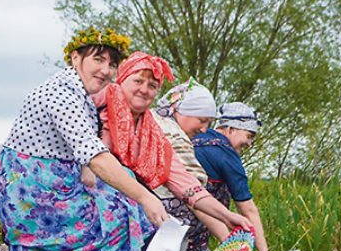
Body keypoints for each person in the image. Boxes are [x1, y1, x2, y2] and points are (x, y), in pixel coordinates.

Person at [0, 27, 170, 251]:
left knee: (123, 188)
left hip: (53, 182)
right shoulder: (61, 95)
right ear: (76, 57)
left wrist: (90, 171)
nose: (105, 70)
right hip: (33, 195)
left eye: (111, 64)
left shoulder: (79, 93)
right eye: (98, 59)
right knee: (122, 208)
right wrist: (145, 197)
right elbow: (96, 156)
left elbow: (84, 151)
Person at [90, 52, 250, 235]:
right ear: (122, 79)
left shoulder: (151, 132)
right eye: (138, 81)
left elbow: (184, 183)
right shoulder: (98, 100)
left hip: (119, 201)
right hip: (79, 187)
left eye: (152, 86)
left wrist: (227, 216)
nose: (144, 90)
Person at [193, 102, 275, 251]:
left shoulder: (195, 136)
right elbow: (248, 210)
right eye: (249, 136)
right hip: (190, 219)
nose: (249, 143)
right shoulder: (226, 156)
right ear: (230, 129)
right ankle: (196, 250)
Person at [152, 79, 222, 251]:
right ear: (181, 111)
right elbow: (192, 191)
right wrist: (228, 238)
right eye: (202, 120)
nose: (204, 129)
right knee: (209, 197)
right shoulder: (174, 135)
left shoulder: (155, 119)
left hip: (148, 203)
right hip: (161, 213)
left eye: (209, 123)